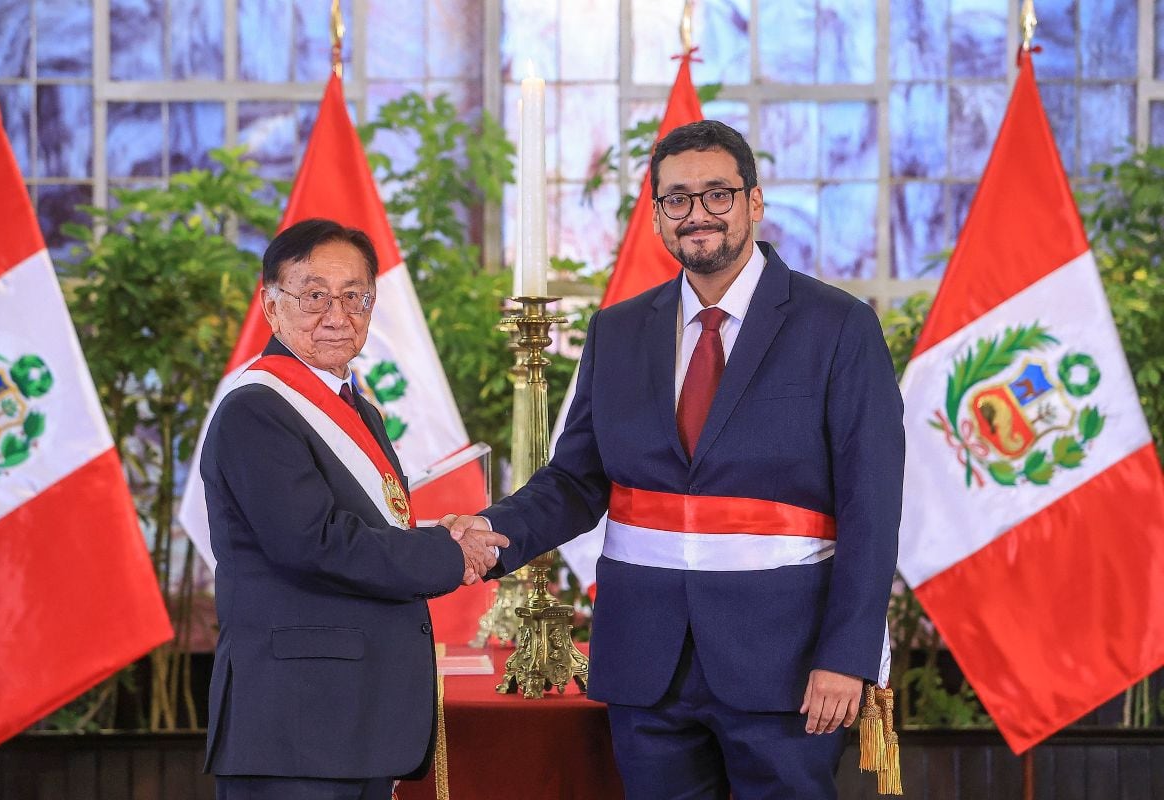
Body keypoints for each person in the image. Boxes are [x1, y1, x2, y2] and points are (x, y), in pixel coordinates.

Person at [444, 120, 904, 799]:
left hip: (787, 665)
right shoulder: (618, 329)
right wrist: (491, 532)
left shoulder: (838, 326)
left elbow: (872, 506)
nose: (698, 214)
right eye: (677, 199)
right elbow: (576, 480)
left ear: (755, 202)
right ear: (658, 214)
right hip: (646, 664)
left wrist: (847, 656)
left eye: (718, 194)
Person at [201, 218, 508, 800]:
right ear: (271, 306)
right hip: (297, 723)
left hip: (352, 719)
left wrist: (435, 532)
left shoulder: (356, 408)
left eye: (354, 296)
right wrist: (447, 554)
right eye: (314, 295)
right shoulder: (256, 411)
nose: (337, 314)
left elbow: (366, 527)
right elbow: (313, 543)